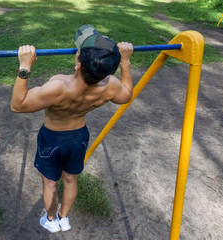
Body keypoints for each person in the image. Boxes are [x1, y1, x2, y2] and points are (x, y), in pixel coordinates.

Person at [11, 24, 133, 233]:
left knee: (50, 183)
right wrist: (126, 62)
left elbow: (17, 105)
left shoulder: (58, 86)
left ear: (78, 64)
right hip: (79, 137)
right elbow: (127, 95)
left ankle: (51, 219)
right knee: (70, 179)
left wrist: (24, 66)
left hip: (52, 139)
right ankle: (63, 217)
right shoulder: (111, 85)